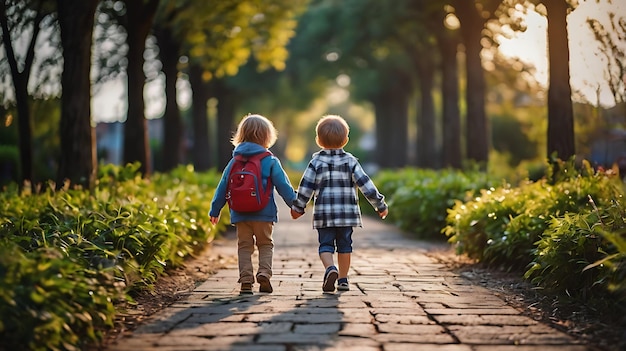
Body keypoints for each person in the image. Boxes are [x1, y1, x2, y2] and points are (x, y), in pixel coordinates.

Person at [291, 114, 388, 292]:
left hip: (324, 215)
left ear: (319, 140)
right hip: (347, 215)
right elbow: (366, 184)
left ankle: (330, 268)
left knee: (325, 245)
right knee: (345, 246)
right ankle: (343, 279)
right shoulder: (351, 161)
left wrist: (298, 207)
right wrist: (379, 205)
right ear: (345, 140)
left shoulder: (316, 162)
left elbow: (306, 187)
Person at [210, 114, 296, 295]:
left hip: (240, 214)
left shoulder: (234, 161)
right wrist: (295, 205)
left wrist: (215, 209)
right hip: (264, 213)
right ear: (267, 137)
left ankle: (246, 281)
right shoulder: (270, 160)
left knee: (244, 246)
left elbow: (222, 186)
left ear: (241, 135)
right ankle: (264, 273)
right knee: (265, 244)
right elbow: (283, 186)